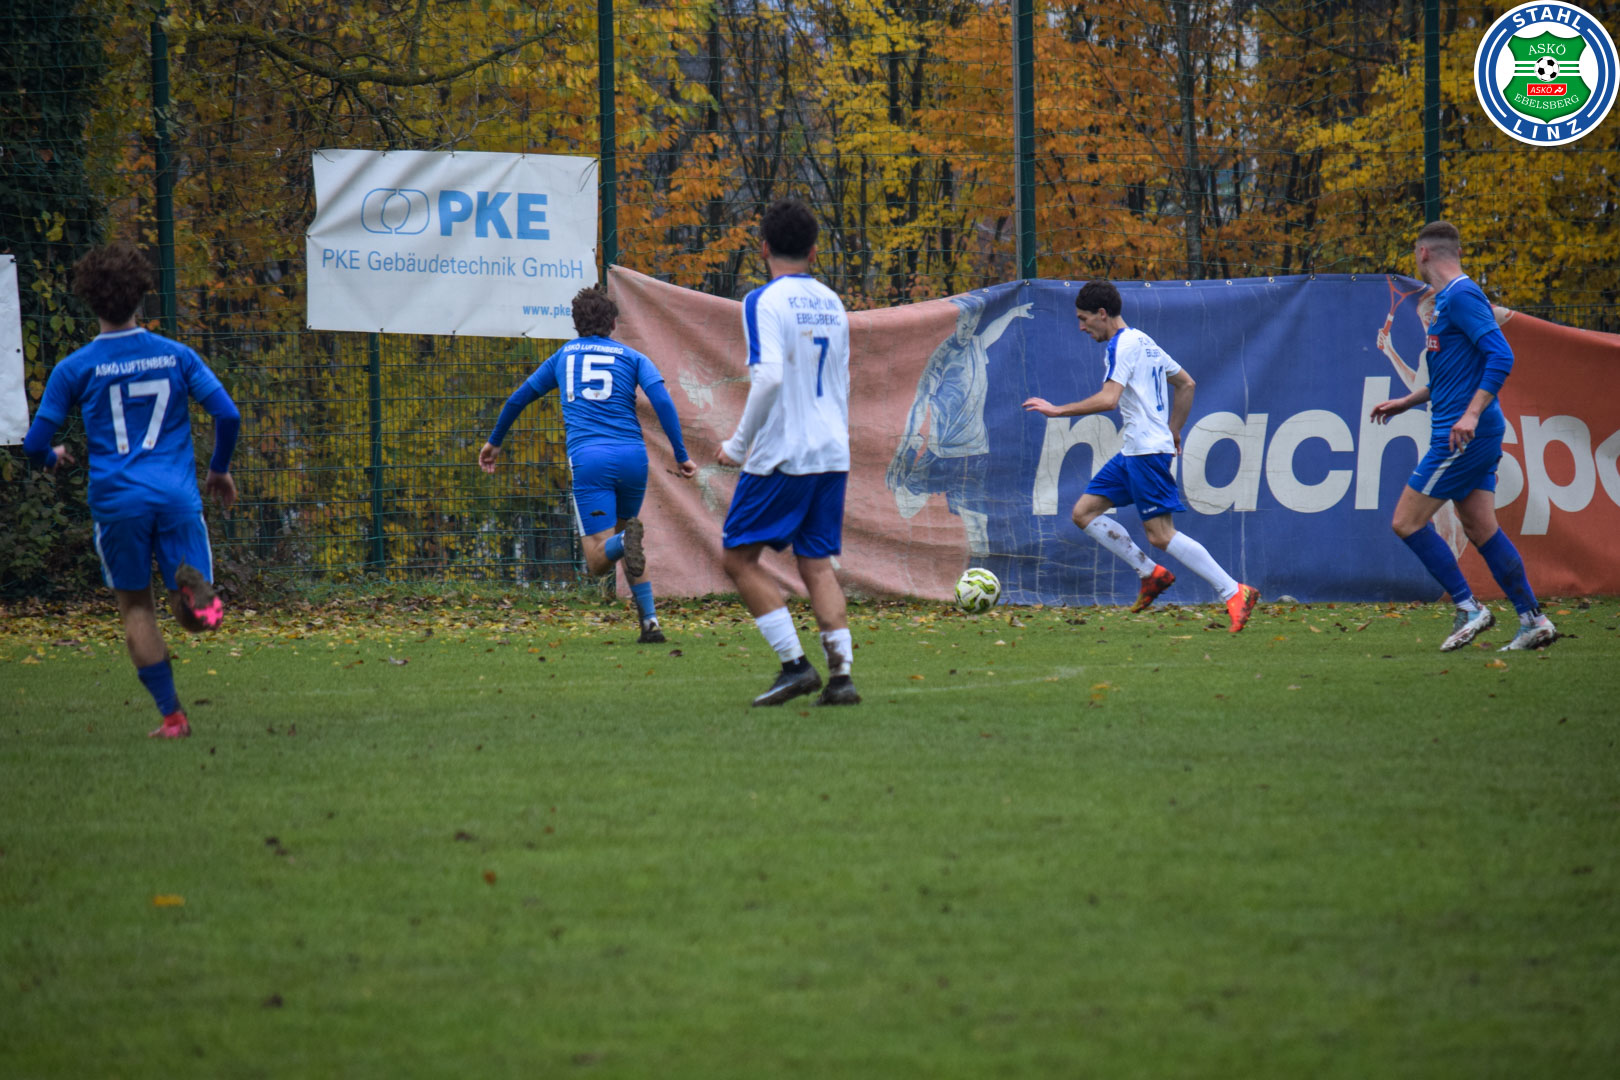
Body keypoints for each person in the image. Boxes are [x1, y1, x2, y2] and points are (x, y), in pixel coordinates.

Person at [23, 243, 240, 739]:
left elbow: (34, 444)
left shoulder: (75, 368)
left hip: (118, 503)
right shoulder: (177, 356)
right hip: (176, 497)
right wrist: (219, 470)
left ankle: (173, 718)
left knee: (137, 609)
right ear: (142, 294)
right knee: (194, 616)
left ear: (90, 299)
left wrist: (52, 457)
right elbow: (227, 415)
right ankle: (203, 607)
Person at [1022, 280, 1260, 632]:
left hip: (1146, 452)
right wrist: (1173, 430)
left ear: (1102, 313)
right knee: (1084, 513)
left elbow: (1109, 399)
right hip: (1136, 449)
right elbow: (1187, 384)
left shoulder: (1122, 345)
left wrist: (1058, 411)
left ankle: (1234, 590)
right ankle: (1151, 574)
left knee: (1161, 535)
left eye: (1084, 319)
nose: (1081, 327)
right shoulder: (1144, 340)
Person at [1369, 221, 1555, 652]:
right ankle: (1533, 619)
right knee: (1480, 526)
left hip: (1462, 435)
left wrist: (1470, 415)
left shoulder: (1462, 296)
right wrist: (1407, 401)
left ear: (1423, 254)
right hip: (1467, 430)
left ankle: (1470, 608)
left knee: (1406, 522)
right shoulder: (1449, 301)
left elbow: (1501, 355)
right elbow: (1453, 374)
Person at [479, 285, 695, 644]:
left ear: (576, 324)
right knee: (626, 541)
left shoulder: (564, 356)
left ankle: (627, 548)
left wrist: (495, 441)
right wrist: (681, 454)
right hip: (633, 459)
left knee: (597, 560)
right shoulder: (633, 357)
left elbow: (518, 399)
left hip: (591, 460)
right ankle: (650, 623)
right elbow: (662, 401)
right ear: (613, 323)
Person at [717, 197, 859, 706]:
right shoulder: (833, 302)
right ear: (814, 251)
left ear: (763, 248)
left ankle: (795, 666)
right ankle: (841, 678)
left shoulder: (763, 300)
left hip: (785, 453)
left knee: (738, 558)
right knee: (816, 562)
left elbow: (770, 377)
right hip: (832, 452)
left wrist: (737, 445)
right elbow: (840, 379)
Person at [886, 293, 1033, 558]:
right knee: (905, 506)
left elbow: (992, 334)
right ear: (955, 323)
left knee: (976, 522)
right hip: (940, 455)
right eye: (963, 325)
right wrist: (908, 443)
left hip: (974, 454)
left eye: (971, 325)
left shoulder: (976, 345)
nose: (967, 330)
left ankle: (982, 573)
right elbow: (920, 402)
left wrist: (1012, 313)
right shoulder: (942, 356)